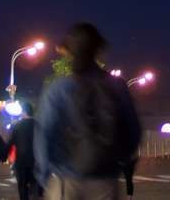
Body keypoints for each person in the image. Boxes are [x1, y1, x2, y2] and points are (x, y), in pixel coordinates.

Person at [37, 22, 142, 200]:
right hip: (105, 179)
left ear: (69, 52)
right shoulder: (117, 86)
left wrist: (45, 175)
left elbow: (44, 134)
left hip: (66, 180)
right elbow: (134, 131)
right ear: (98, 50)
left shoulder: (58, 89)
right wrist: (118, 161)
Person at [8, 101, 39, 200]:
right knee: (34, 185)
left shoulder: (18, 126)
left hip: (21, 160)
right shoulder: (38, 126)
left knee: (22, 186)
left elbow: (11, 142)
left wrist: (2, 154)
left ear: (24, 112)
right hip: (35, 160)